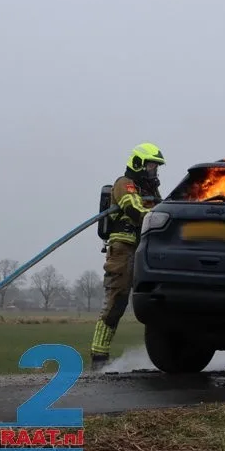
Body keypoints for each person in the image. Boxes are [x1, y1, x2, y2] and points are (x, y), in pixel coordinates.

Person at [90, 142, 166, 370]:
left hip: (144, 249)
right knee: (117, 300)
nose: (154, 171)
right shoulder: (124, 184)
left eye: (156, 167)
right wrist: (163, 218)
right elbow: (135, 211)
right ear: (138, 163)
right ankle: (99, 358)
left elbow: (161, 209)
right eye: (152, 166)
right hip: (122, 248)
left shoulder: (151, 190)